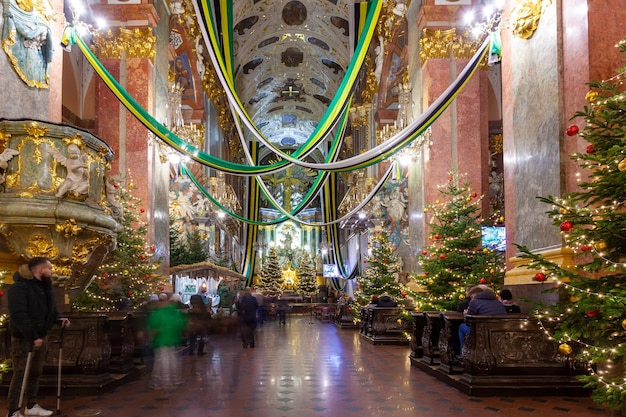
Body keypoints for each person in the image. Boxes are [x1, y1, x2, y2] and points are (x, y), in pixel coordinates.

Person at [7, 257, 71, 417]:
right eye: (49, 268)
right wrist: (33, 336)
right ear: (40, 270)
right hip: (24, 338)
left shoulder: (45, 287)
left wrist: (59, 318)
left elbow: (51, 309)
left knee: (35, 372)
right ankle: (13, 411)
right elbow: (19, 315)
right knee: (21, 374)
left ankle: (31, 405)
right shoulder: (19, 288)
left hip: (41, 336)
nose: (52, 271)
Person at [147, 293, 187, 390]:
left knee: (163, 361)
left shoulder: (159, 314)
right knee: (172, 359)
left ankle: (165, 381)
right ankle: (175, 378)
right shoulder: (175, 313)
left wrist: (153, 336)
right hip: (173, 339)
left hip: (161, 340)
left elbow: (153, 329)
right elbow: (182, 326)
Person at [458, 286, 507, 355]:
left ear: (473, 296)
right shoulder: (497, 302)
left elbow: (469, 319)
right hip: (500, 331)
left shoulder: (474, 302)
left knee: (461, 327)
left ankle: (463, 354)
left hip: (482, 332)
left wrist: (465, 314)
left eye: (471, 297)